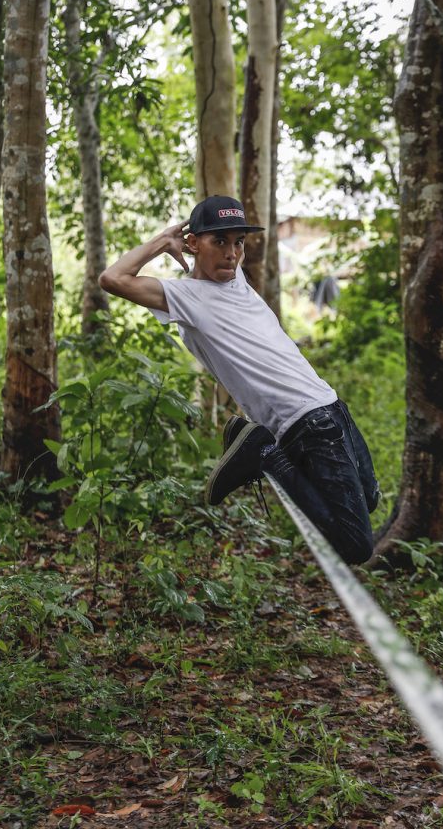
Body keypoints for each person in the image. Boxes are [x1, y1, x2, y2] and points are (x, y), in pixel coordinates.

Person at [99, 195, 379, 565]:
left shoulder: (237, 280)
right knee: (356, 547)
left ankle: (259, 447)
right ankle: (262, 452)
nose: (232, 253)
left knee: (370, 497)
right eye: (219, 242)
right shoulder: (185, 297)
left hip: (330, 406)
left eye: (238, 242)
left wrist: (218, 241)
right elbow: (112, 278)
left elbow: (228, 250)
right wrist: (162, 241)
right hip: (304, 424)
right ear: (194, 243)